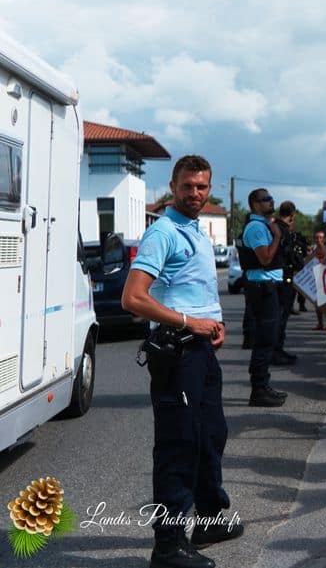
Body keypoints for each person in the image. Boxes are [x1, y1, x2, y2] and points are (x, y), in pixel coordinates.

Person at [121, 155, 242, 568]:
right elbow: (133, 298)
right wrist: (192, 322)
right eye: (188, 186)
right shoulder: (164, 233)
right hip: (177, 352)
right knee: (179, 444)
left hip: (202, 350)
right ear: (173, 186)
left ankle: (208, 520)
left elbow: (198, 290)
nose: (196, 194)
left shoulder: (198, 230)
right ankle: (169, 545)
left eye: (202, 187)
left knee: (212, 436)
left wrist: (217, 323)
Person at [241, 189, 288, 407]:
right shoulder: (257, 227)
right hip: (262, 286)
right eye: (266, 199)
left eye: (271, 198)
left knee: (268, 337)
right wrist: (277, 236)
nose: (271, 202)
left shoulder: (263, 225)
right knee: (264, 338)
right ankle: (258, 389)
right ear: (255, 204)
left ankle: (262, 385)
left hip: (268, 286)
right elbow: (266, 258)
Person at [272, 201, 301, 363]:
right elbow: (289, 254)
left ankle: (278, 349)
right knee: (281, 317)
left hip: (279, 276)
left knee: (280, 316)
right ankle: (276, 351)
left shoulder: (274, 227)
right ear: (292, 214)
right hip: (283, 277)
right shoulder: (282, 230)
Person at [311, 231, 326, 332]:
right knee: (317, 302)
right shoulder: (313, 249)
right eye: (316, 238)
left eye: (320, 238)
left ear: (324, 239)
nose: (318, 240)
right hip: (316, 277)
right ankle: (320, 323)